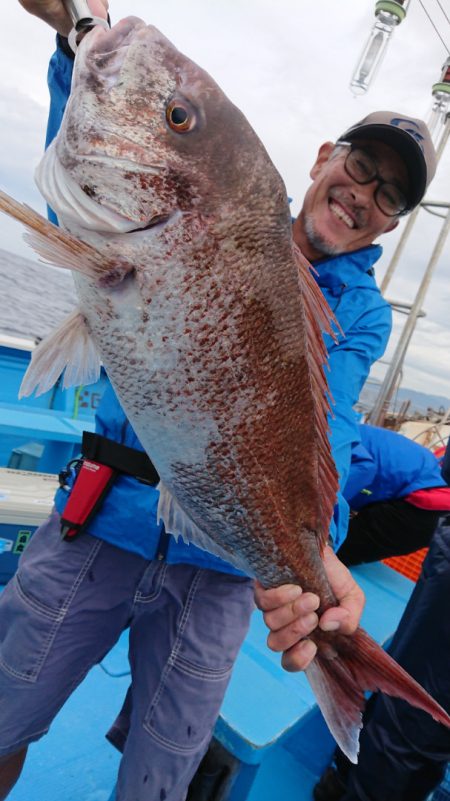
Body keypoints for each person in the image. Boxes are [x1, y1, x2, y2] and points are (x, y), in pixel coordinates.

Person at [0, 2, 436, 800]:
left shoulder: (361, 314)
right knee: (3, 715)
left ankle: (339, 675)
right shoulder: (209, 207)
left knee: (160, 778)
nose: (365, 193)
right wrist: (77, 39)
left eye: (391, 195)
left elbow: (327, 426)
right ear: (321, 157)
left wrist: (315, 551)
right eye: (362, 166)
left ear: (392, 224)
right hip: (100, 522)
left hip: (219, 578)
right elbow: (93, 158)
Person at [314, 437, 450, 801]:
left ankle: (341, 778)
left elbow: (360, 472)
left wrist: (331, 509)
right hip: (433, 511)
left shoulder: (347, 438)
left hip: (427, 512)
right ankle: (341, 777)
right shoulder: (357, 436)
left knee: (417, 712)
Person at [336, 423, 450, 566]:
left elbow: (362, 469)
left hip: (425, 506)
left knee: (332, 551)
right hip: (425, 493)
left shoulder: (333, 437)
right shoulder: (341, 427)